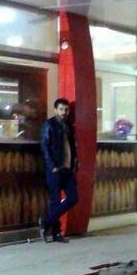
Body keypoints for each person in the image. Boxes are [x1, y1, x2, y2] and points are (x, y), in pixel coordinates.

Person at [39, 97, 79, 242]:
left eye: (66, 109)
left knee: (73, 198)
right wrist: (52, 166)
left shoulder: (69, 127)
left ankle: (46, 221)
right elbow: (44, 146)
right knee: (56, 201)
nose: (64, 112)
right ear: (55, 110)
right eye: (61, 109)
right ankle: (56, 233)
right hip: (55, 169)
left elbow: (73, 147)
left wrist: (75, 164)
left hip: (68, 169)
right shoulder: (49, 125)